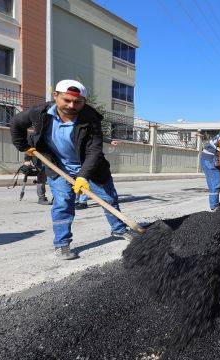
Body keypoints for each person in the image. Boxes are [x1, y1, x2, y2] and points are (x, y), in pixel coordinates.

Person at [10, 79, 133, 260]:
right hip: (57, 166)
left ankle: (119, 229)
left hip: (91, 167)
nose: (71, 105)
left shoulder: (91, 119)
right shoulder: (39, 113)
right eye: (66, 100)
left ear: (84, 101)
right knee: (63, 204)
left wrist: (83, 176)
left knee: (109, 198)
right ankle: (62, 244)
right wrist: (23, 146)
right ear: (55, 96)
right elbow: (16, 123)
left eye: (77, 102)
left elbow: (94, 150)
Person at [75, 137, 119, 210]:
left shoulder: (88, 129)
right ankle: (79, 200)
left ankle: (82, 202)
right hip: (79, 160)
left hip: (91, 160)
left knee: (85, 180)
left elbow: (98, 136)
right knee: (80, 182)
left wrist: (110, 141)